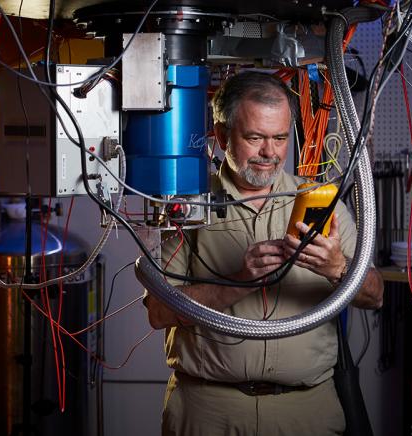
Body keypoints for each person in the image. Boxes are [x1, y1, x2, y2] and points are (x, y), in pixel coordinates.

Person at [143, 71, 384, 436]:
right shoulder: (187, 205)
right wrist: (237, 284)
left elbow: (375, 295)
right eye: (254, 137)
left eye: (280, 138)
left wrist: (338, 268)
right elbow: (159, 312)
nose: (269, 153)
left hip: (307, 413)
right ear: (222, 135)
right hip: (209, 411)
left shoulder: (321, 201)